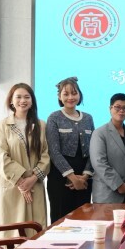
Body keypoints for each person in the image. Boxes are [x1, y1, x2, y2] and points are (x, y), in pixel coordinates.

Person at [0, 83, 50, 237]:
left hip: (34, 185)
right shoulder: (2, 126)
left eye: (27, 97)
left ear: (32, 101)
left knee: (34, 231)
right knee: (11, 233)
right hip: (11, 185)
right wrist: (21, 182)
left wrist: (32, 179)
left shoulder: (41, 126)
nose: (23, 100)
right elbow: (0, 157)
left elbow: (46, 155)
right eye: (18, 97)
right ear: (11, 101)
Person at [45, 77, 95, 223]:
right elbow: (54, 151)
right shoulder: (54, 117)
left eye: (74, 93)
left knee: (83, 220)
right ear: (59, 96)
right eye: (66, 94)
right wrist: (73, 178)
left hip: (84, 179)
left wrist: (84, 177)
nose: (70, 97)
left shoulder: (88, 118)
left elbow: (93, 149)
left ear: (80, 94)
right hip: (60, 179)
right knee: (61, 221)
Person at [90, 93, 125, 203]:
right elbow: (99, 163)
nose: (121, 111)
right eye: (117, 107)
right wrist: (119, 185)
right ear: (110, 108)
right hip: (107, 194)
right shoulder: (99, 133)